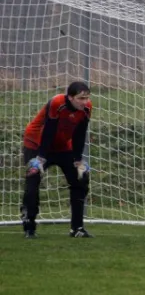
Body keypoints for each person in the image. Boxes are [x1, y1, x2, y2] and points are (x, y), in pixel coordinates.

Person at [21, 81, 93, 238]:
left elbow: (80, 134)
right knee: (33, 179)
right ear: (70, 97)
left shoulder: (87, 108)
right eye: (81, 98)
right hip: (36, 144)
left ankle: (77, 228)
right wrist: (40, 159)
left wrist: (77, 160)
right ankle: (29, 226)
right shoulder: (57, 103)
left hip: (62, 145)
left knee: (80, 179)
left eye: (86, 97)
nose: (84, 101)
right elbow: (48, 130)